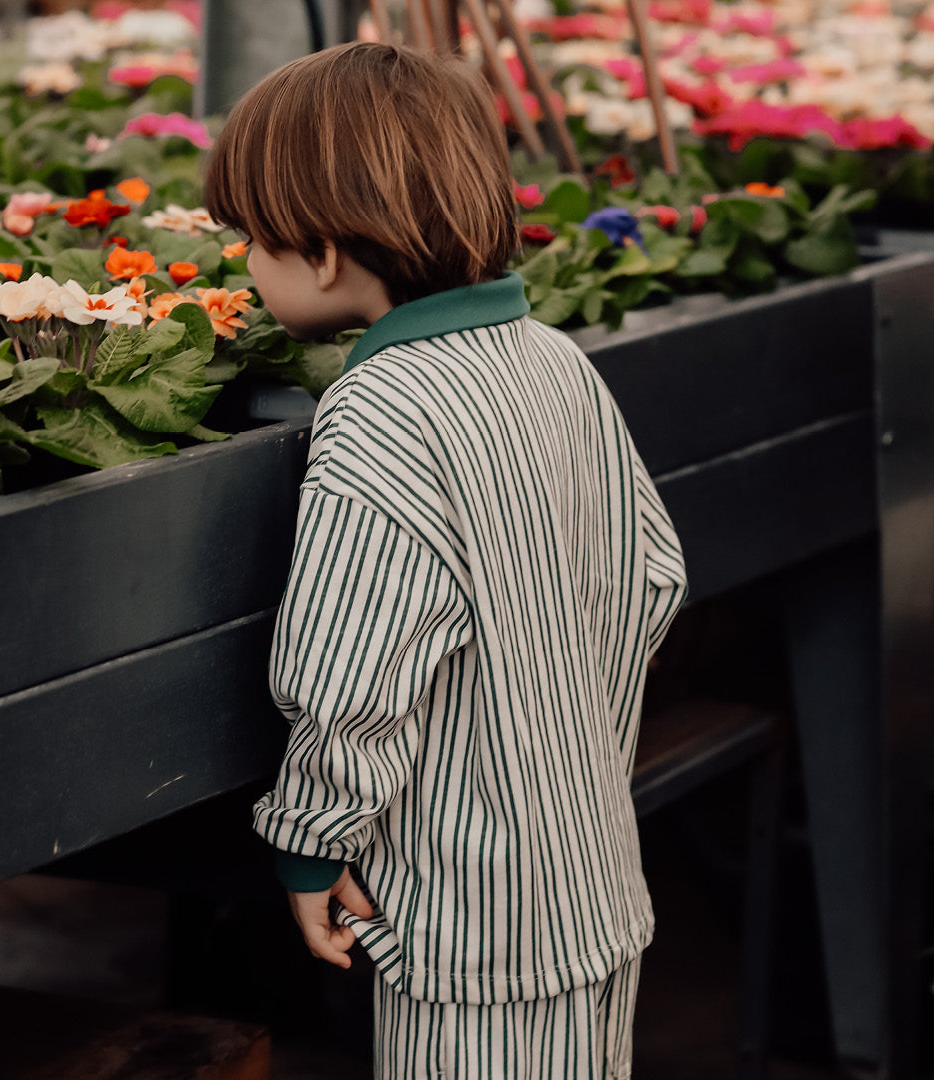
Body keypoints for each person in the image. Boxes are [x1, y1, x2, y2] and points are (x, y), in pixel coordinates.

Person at [204, 41, 687, 1080]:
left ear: (322, 249)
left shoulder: (379, 411)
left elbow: (348, 679)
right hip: (594, 872)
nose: (243, 261)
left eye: (248, 237)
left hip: (468, 914)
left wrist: (310, 838)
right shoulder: (556, 359)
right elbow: (655, 574)